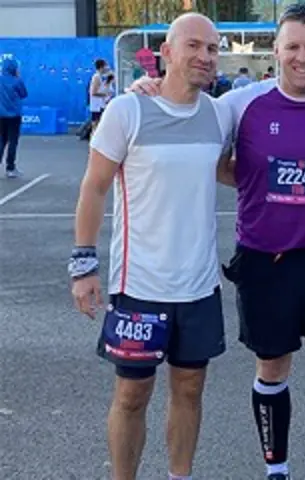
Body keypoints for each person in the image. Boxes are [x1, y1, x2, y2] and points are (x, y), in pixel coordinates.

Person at [130, 5, 305, 479]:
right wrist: (146, 89)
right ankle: (278, 469)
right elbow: (189, 121)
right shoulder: (240, 105)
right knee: (273, 371)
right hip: (263, 262)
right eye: (292, 46)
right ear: (277, 51)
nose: (302, 56)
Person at [69, 13, 235, 480]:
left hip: (200, 287)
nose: (205, 56)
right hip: (138, 285)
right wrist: (83, 265)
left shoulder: (220, 113)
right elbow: (94, 187)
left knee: (189, 389)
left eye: (213, 48)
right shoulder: (128, 111)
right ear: (167, 53)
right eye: (195, 46)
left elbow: (231, 167)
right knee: (131, 395)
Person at [0, 56, 28, 178]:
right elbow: (24, 94)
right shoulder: (17, 81)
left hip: (0, 115)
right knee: (13, 141)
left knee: (1, 141)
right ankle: (10, 168)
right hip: (14, 115)